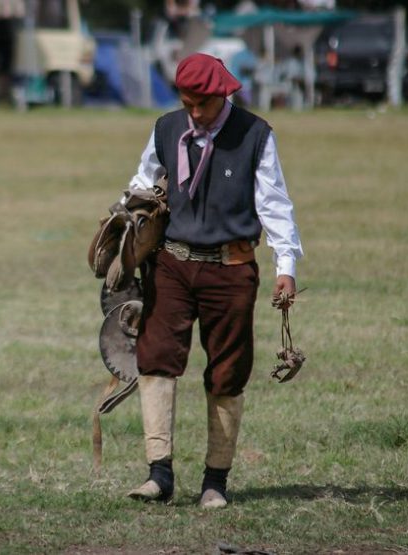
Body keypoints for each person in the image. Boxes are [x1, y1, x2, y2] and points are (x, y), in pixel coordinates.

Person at [123, 53, 303, 507]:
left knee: (227, 369)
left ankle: (215, 483)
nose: (194, 113)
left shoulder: (255, 135)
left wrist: (286, 267)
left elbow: (275, 203)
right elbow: (142, 181)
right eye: (187, 104)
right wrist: (125, 223)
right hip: (173, 264)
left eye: (201, 105)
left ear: (223, 95)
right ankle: (159, 475)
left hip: (231, 268)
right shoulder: (166, 128)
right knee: (156, 356)